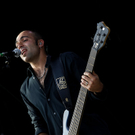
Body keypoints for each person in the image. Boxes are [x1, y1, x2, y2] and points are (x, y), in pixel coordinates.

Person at [15, 30, 110, 135]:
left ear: (40, 43)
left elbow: (100, 98)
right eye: (16, 44)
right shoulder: (26, 89)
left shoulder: (67, 60)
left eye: (24, 40)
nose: (19, 45)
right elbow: (39, 124)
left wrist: (98, 88)